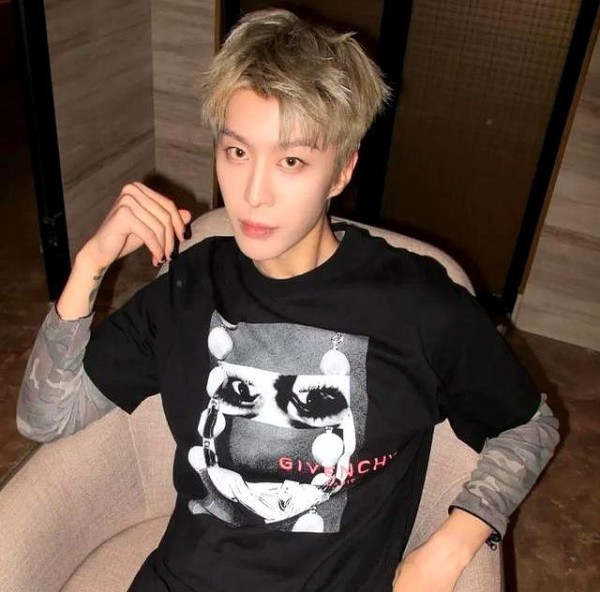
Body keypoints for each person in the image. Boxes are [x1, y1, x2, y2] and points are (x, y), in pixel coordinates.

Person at [17, 9, 559, 592]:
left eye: (292, 161)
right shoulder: (188, 285)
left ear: (342, 171)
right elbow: (45, 417)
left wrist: (452, 544)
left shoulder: (416, 305)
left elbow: (529, 426)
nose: (254, 193)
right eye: (237, 152)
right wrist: (89, 265)